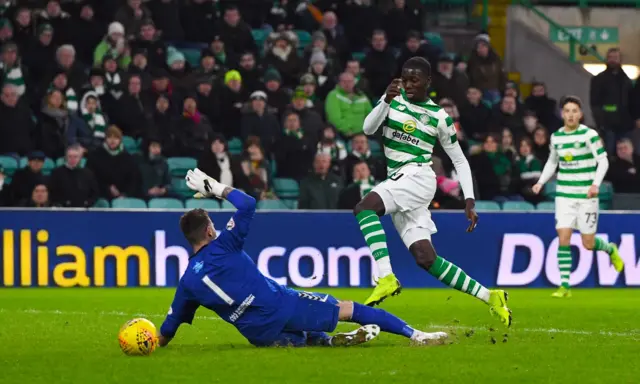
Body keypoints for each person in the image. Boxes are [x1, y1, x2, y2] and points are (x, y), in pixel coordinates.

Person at [157, 168, 449, 348]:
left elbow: (169, 329)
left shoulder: (187, 282)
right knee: (345, 308)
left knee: (304, 337)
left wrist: (150, 343)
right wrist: (215, 187)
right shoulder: (225, 244)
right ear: (209, 230)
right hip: (280, 305)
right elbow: (247, 204)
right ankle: (415, 335)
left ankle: (325, 341)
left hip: (257, 334)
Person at [353, 57, 512, 327]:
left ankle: (386, 277)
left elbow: (460, 160)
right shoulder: (393, 98)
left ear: (428, 82)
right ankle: (491, 296)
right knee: (426, 258)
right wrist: (385, 101)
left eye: (415, 79)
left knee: (364, 208)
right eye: (405, 77)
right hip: (399, 179)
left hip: (417, 177)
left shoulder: (439, 116)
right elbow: (368, 128)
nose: (409, 83)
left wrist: (469, 199)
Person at [532, 96, 624, 298]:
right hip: (564, 194)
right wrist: (541, 181)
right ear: (562, 114)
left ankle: (610, 249)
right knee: (563, 237)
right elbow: (551, 162)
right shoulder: (556, 137)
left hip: (585, 195)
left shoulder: (589, 135)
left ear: (580, 114)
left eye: (574, 111)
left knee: (588, 243)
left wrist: (595, 184)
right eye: (567, 111)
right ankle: (565, 286)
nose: (571, 114)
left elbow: (603, 161)